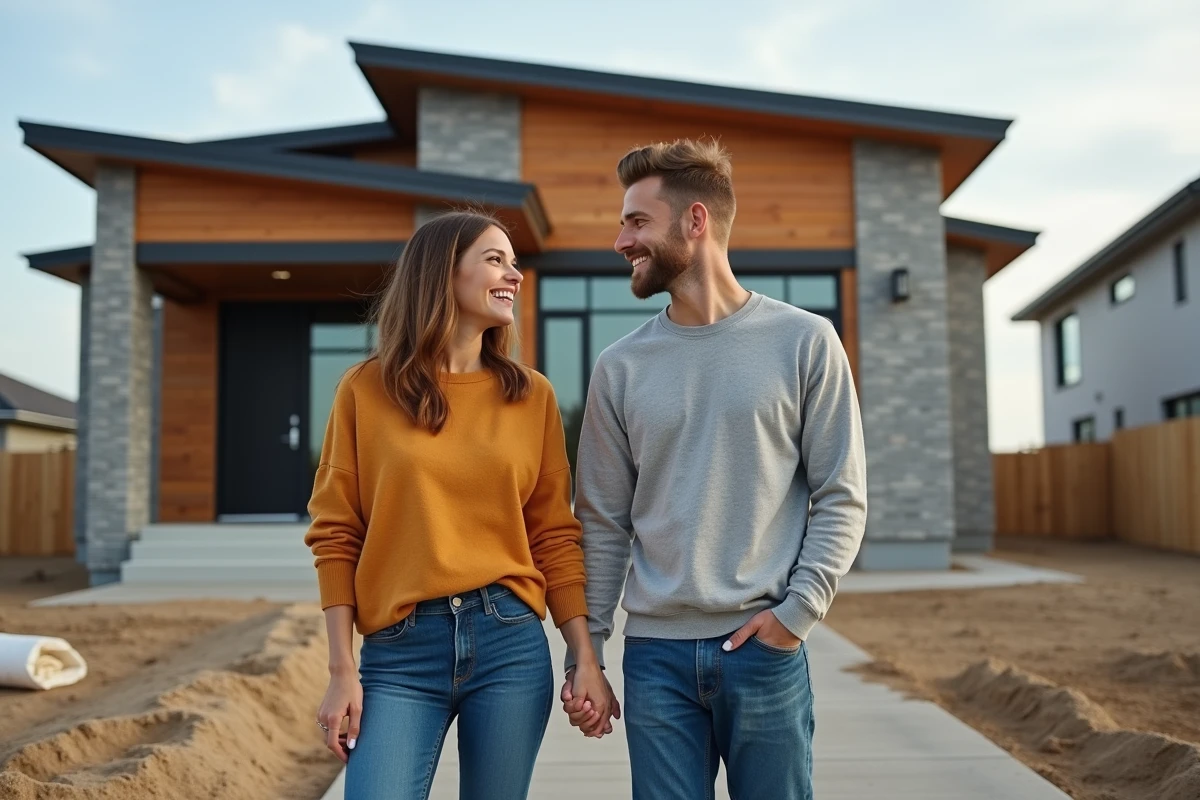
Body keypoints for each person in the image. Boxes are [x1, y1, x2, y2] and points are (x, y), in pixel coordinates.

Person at [560, 139, 868, 800]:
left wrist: (797, 615)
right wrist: (586, 654)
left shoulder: (805, 342)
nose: (621, 240)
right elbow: (603, 524)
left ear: (695, 222)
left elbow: (842, 494)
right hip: (656, 661)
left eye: (636, 221)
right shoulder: (621, 367)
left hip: (763, 649)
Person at [304, 210, 610, 800]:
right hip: (399, 652)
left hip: (510, 643)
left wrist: (584, 655)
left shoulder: (532, 396)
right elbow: (338, 533)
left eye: (514, 263)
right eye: (495, 259)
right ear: (442, 274)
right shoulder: (364, 391)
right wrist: (342, 669)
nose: (514, 275)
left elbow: (553, 533)